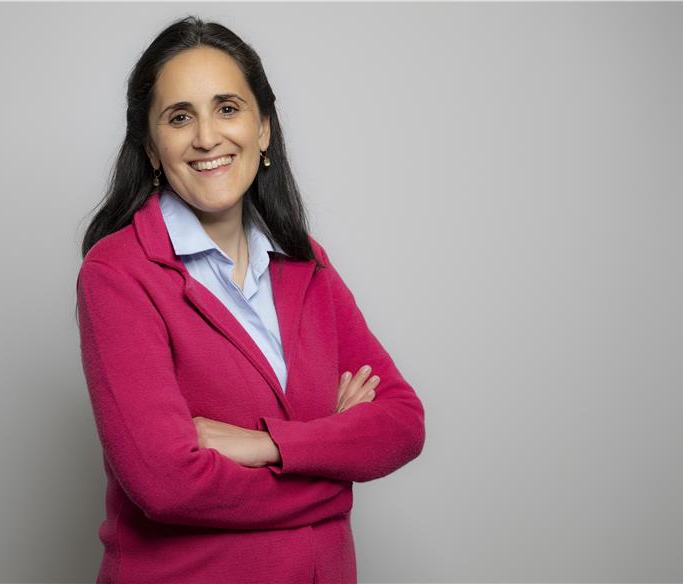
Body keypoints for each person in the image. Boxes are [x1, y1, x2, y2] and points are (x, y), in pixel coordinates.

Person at [76, 15, 425, 584]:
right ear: (151, 146)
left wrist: (265, 446)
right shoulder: (118, 272)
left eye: (227, 108)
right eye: (179, 117)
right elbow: (166, 484)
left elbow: (402, 423)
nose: (207, 137)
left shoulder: (304, 261)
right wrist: (334, 471)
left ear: (263, 128)